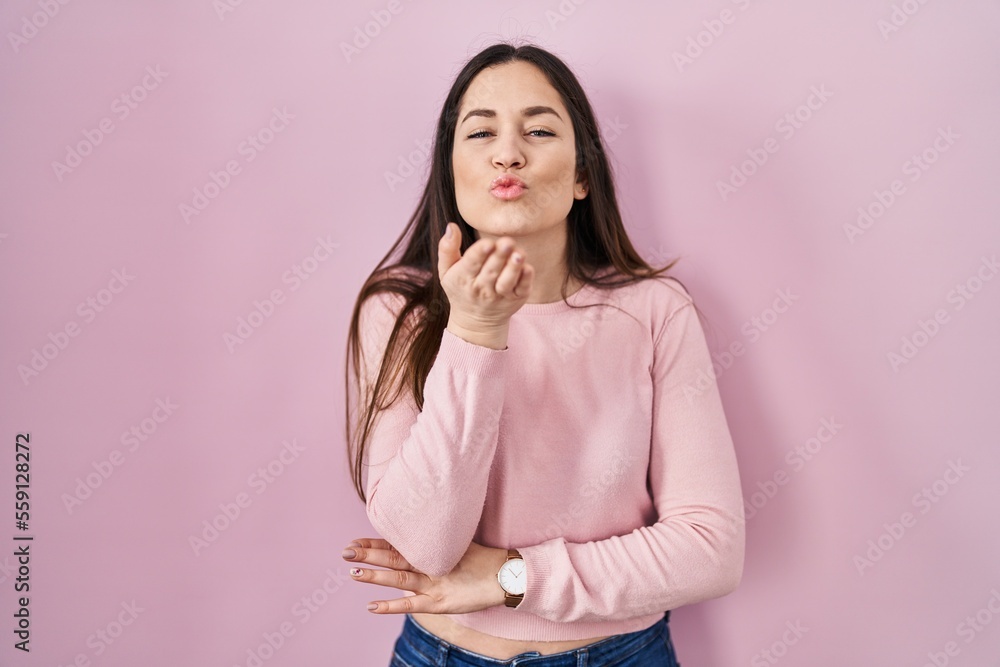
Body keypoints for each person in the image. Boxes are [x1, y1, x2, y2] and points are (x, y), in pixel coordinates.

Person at [342, 41, 744, 666]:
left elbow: (710, 549)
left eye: (538, 129)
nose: (509, 152)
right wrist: (475, 331)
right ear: (451, 170)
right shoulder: (397, 313)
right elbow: (426, 546)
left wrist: (512, 577)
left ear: (583, 175)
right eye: (480, 133)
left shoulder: (654, 312)